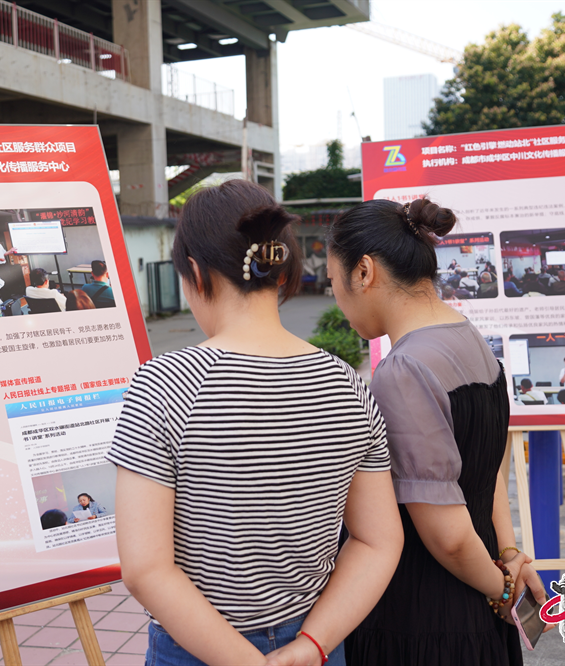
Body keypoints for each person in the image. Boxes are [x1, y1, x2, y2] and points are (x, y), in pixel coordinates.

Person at [106, 180, 404, 666]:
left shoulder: (163, 386)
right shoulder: (347, 384)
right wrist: (311, 646)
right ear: (281, 275)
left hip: (196, 648)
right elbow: (378, 540)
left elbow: (145, 569)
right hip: (313, 641)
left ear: (195, 275)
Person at [324, 197, 548, 665]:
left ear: (363, 272)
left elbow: (446, 536)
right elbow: (491, 471)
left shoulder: (403, 370)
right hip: (478, 593)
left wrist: (504, 587)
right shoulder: (470, 338)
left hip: (424, 617)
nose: (337, 300)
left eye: (333, 283)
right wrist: (507, 556)